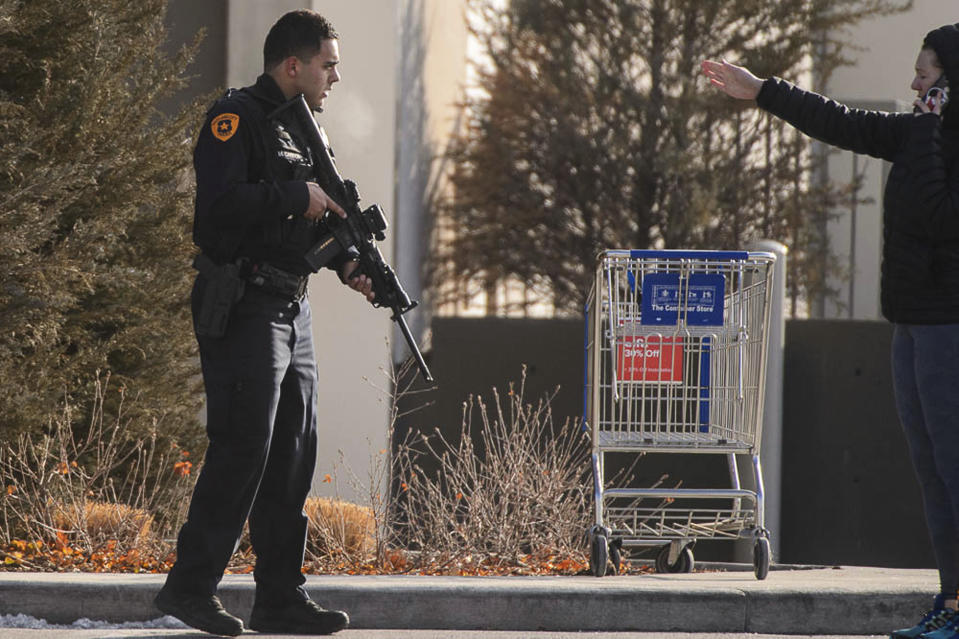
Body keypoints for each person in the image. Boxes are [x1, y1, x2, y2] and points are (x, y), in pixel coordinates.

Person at [704, 22, 959, 639]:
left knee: (955, 469)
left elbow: (937, 213)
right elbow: (844, 122)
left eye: (924, 75)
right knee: (931, 471)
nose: (913, 83)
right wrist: (762, 89)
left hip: (949, 326)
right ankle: (951, 604)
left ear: (949, 86)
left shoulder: (932, 139)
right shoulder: (921, 134)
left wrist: (927, 126)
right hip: (910, 322)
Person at [154, 10, 374, 637]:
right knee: (243, 446)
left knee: (292, 455)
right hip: (244, 301)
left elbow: (316, 225)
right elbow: (218, 209)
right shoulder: (237, 118)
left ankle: (280, 597)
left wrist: (350, 262)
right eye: (327, 64)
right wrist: (291, 196)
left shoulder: (308, 132)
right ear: (293, 64)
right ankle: (190, 589)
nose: (334, 76)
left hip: (290, 304)